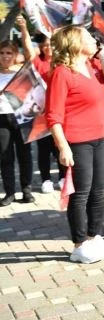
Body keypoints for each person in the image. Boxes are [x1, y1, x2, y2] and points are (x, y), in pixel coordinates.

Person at [45, 25, 104, 263]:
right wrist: (63, 146)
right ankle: (79, 244)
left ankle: (93, 236)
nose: (93, 40)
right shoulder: (61, 73)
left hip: (100, 137)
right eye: (88, 37)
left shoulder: (91, 67)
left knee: (99, 191)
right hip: (77, 142)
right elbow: (53, 115)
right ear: (75, 43)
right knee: (81, 193)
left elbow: (93, 99)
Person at [16, 15, 64, 193]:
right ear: (41, 47)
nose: (48, 47)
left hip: (60, 110)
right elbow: (28, 50)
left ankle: (63, 176)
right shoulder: (38, 61)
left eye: (50, 43)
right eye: (44, 44)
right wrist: (23, 29)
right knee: (43, 147)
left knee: (60, 145)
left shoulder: (62, 61)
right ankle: (46, 179)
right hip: (42, 112)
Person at [0, 40, 33, 206]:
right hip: (1, 119)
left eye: (9, 53)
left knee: (25, 155)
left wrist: (22, 28)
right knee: (6, 157)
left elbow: (30, 55)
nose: (5, 56)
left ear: (15, 55)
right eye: (2, 53)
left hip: (20, 117)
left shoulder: (21, 72)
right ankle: (10, 193)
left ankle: (27, 191)